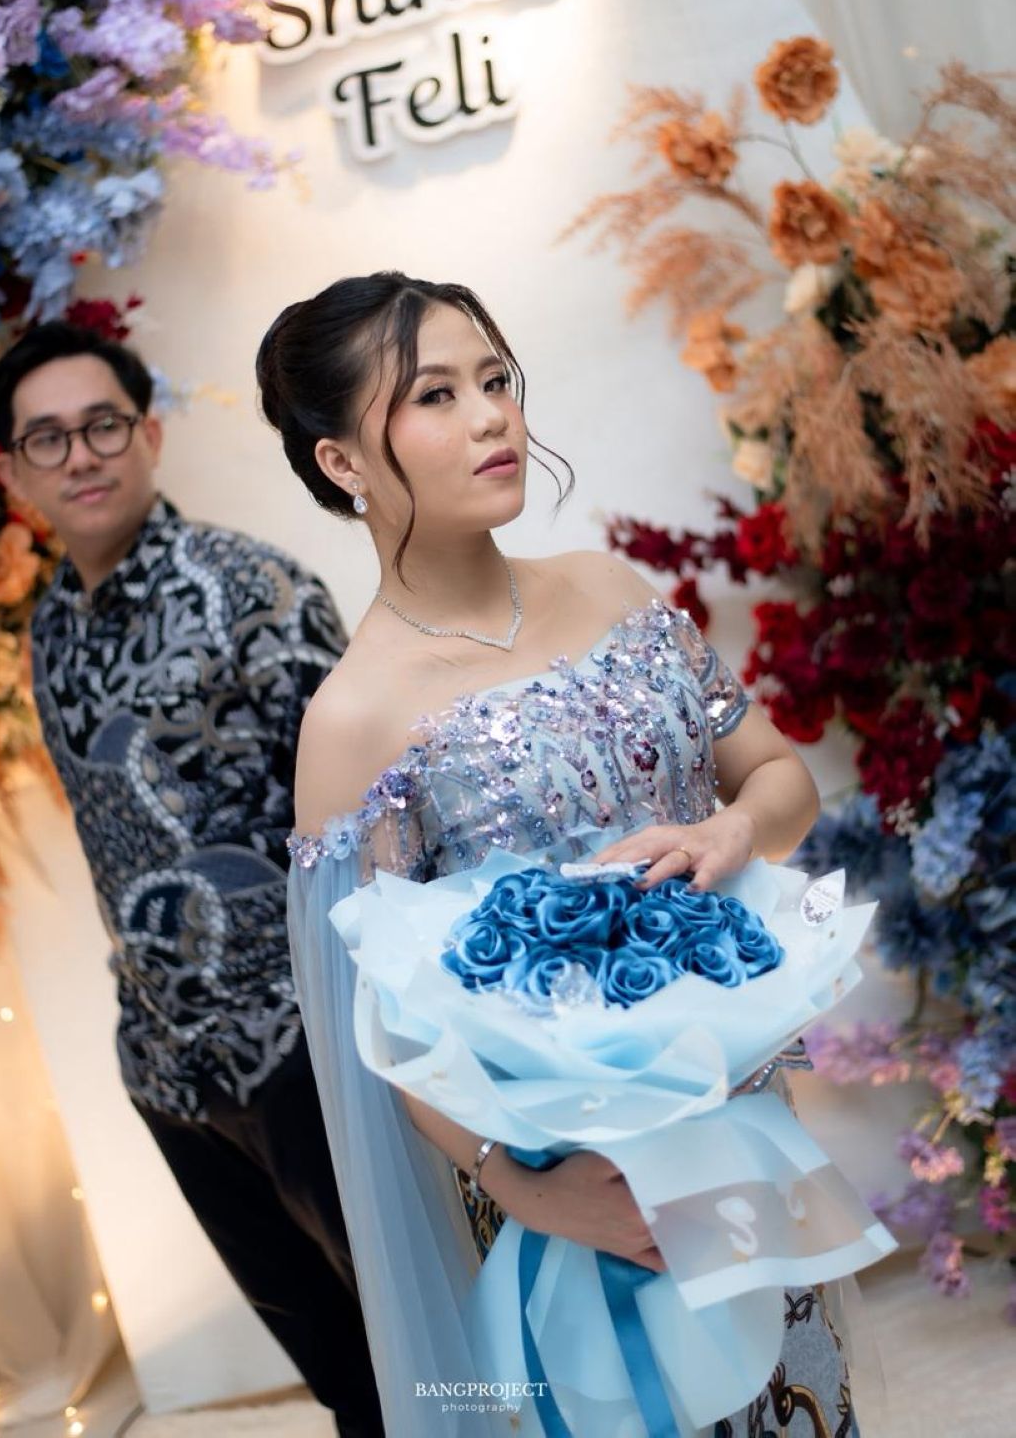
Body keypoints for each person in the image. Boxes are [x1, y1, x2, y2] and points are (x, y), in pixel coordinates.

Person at [256, 271, 859, 1437]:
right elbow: (389, 1032)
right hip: (578, 1187)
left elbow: (783, 781)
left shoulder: (611, 589)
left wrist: (730, 830)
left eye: (496, 379)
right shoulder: (354, 719)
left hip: (740, 1132)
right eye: (436, 395)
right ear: (341, 461)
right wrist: (525, 1186)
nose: (493, 416)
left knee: (803, 1408)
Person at [0, 322, 384, 1438]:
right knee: (338, 1371)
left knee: (427, 1337)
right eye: (48, 439)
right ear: (14, 475)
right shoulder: (48, 629)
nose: (81, 455)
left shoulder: (253, 587)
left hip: (304, 1048)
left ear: (149, 435)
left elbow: (368, 819)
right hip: (169, 1071)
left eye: (103, 425)